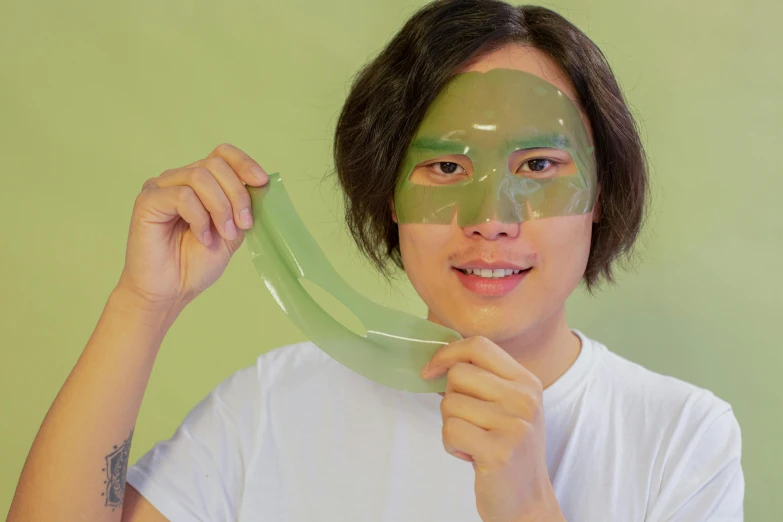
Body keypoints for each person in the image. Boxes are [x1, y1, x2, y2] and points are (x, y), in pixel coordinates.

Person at [8, 1, 744, 521]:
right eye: (446, 170)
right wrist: (142, 304)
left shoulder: (681, 437)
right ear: (388, 194)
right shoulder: (273, 406)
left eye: (539, 163)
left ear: (599, 194)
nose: (491, 218)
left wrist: (526, 507)